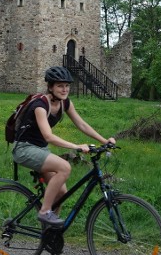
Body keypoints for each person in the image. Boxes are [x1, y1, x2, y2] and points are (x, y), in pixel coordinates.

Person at [12, 66, 116, 227]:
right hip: (24, 149)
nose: (65, 89)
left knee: (61, 192)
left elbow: (81, 124)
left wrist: (104, 141)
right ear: (50, 87)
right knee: (65, 167)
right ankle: (45, 212)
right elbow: (48, 136)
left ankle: (49, 233)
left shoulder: (65, 103)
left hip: (41, 150)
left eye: (67, 85)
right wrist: (76, 146)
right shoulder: (40, 105)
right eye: (60, 86)